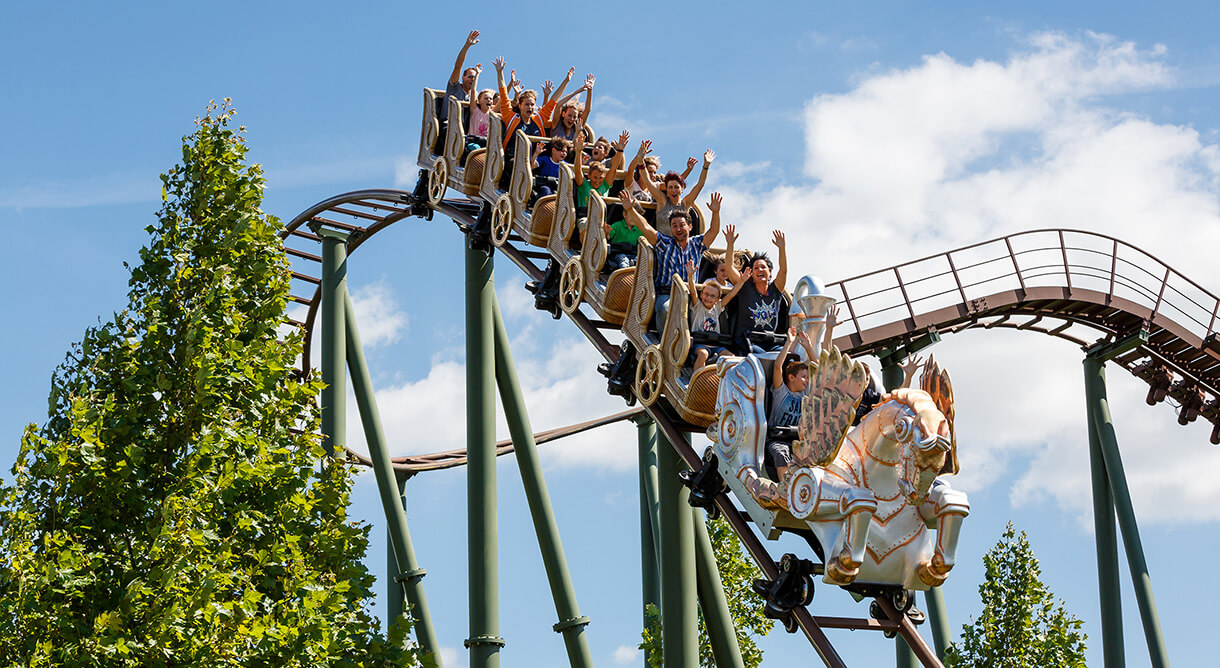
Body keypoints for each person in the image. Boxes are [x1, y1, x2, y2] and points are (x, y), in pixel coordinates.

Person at [619, 189, 722, 334]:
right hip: (667, 293)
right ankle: (665, 343)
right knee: (664, 309)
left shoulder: (697, 244)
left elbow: (714, 231)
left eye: (681, 225)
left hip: (689, 294)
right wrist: (630, 209)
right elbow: (645, 227)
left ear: (689, 227)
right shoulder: (664, 243)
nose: (678, 229)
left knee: (701, 314)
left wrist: (716, 213)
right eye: (674, 226)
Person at [723, 224, 790, 354]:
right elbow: (729, 267)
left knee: (787, 356)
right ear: (752, 273)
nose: (760, 270)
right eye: (756, 268)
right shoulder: (745, 287)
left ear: (769, 272)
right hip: (747, 341)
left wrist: (782, 248)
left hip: (770, 342)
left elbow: (784, 271)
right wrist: (730, 244)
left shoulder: (776, 290)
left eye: (763, 267)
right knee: (761, 356)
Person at [766, 327, 819, 482]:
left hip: (797, 439)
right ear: (791, 377)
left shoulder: (805, 394)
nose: (807, 380)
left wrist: (808, 347)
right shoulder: (781, 391)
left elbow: (819, 371)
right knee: (781, 454)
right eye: (803, 377)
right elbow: (777, 366)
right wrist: (789, 342)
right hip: (777, 438)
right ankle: (786, 488)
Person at [685, 254, 749, 370]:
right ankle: (697, 380)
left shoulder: (717, 307)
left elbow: (731, 294)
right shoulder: (697, 305)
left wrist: (742, 281)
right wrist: (690, 276)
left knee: (731, 357)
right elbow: (693, 291)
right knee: (703, 354)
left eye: (712, 296)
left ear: (717, 299)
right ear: (701, 294)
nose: (708, 298)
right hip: (700, 343)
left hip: (716, 344)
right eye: (706, 295)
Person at [639, 147, 715, 235]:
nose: (673, 190)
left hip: (681, 245)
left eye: (676, 187)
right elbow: (647, 182)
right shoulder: (662, 201)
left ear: (682, 188)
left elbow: (700, 185)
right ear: (666, 189)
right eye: (670, 187)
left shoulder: (685, 204)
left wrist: (706, 166)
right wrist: (641, 161)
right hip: (664, 245)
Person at [573, 129, 626, 218]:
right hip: (585, 217)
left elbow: (613, 168)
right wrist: (578, 151)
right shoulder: (584, 185)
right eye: (595, 177)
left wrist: (620, 151)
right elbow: (578, 170)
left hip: (600, 218)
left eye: (600, 178)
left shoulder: (604, 185)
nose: (597, 181)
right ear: (589, 175)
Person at [442, 30, 480, 121]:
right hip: (448, 124)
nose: (472, 80)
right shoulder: (454, 87)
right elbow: (458, 66)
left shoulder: (475, 95)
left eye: (474, 78)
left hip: (465, 130)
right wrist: (467, 45)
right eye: (470, 77)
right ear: (463, 77)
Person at [549, 74, 596, 143]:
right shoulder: (557, 124)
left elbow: (587, 110)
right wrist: (577, 91)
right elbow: (558, 105)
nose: (571, 119)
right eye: (569, 115)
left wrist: (590, 90)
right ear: (564, 114)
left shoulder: (577, 126)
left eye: (574, 117)